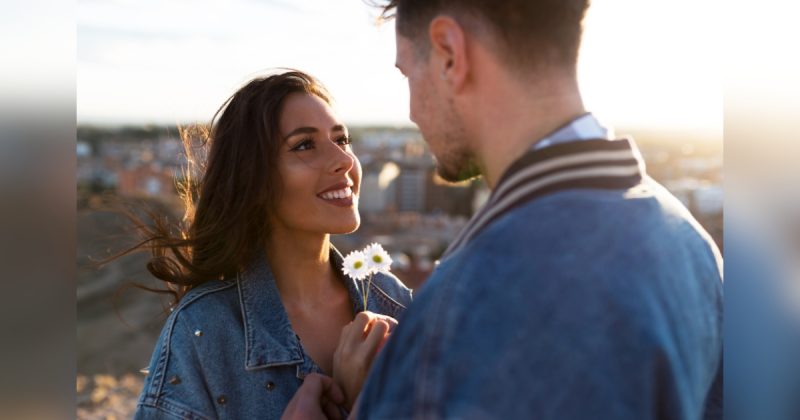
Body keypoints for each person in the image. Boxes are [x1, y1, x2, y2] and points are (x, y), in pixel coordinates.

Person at [285, 1, 723, 419]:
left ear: (450, 53)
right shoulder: (689, 243)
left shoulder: (474, 296)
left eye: (407, 74)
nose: (413, 111)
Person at [130, 70, 412, 419]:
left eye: (341, 140)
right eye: (304, 145)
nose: (344, 160)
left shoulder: (394, 303)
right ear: (255, 179)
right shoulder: (205, 332)